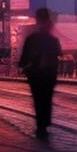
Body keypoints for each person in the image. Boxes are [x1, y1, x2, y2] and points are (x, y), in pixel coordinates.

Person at [19, 8, 62, 140]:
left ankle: (41, 125)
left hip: (35, 75)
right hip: (48, 75)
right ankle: (44, 123)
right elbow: (58, 56)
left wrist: (26, 68)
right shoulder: (53, 40)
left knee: (38, 99)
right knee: (47, 99)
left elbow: (23, 59)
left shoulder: (31, 39)